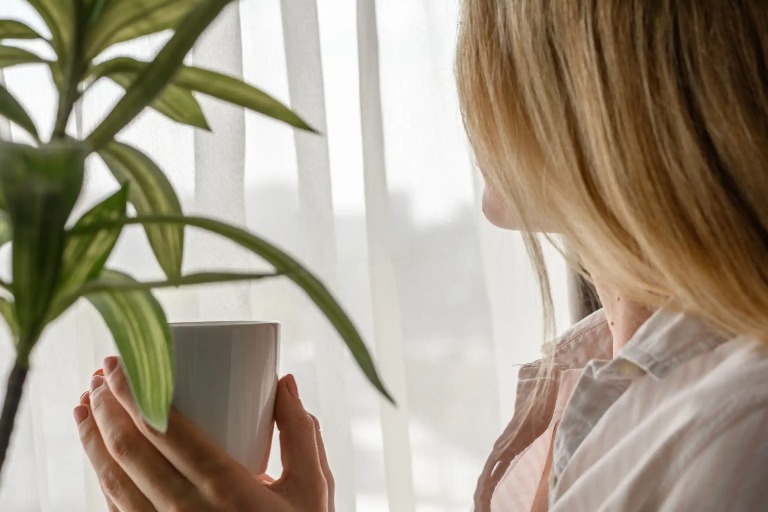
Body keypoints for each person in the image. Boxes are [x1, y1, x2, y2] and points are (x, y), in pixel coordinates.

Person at [74, 0, 768, 510]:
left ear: (592, 86)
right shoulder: (592, 385)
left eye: (493, 43)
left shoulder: (738, 431)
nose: (470, 96)